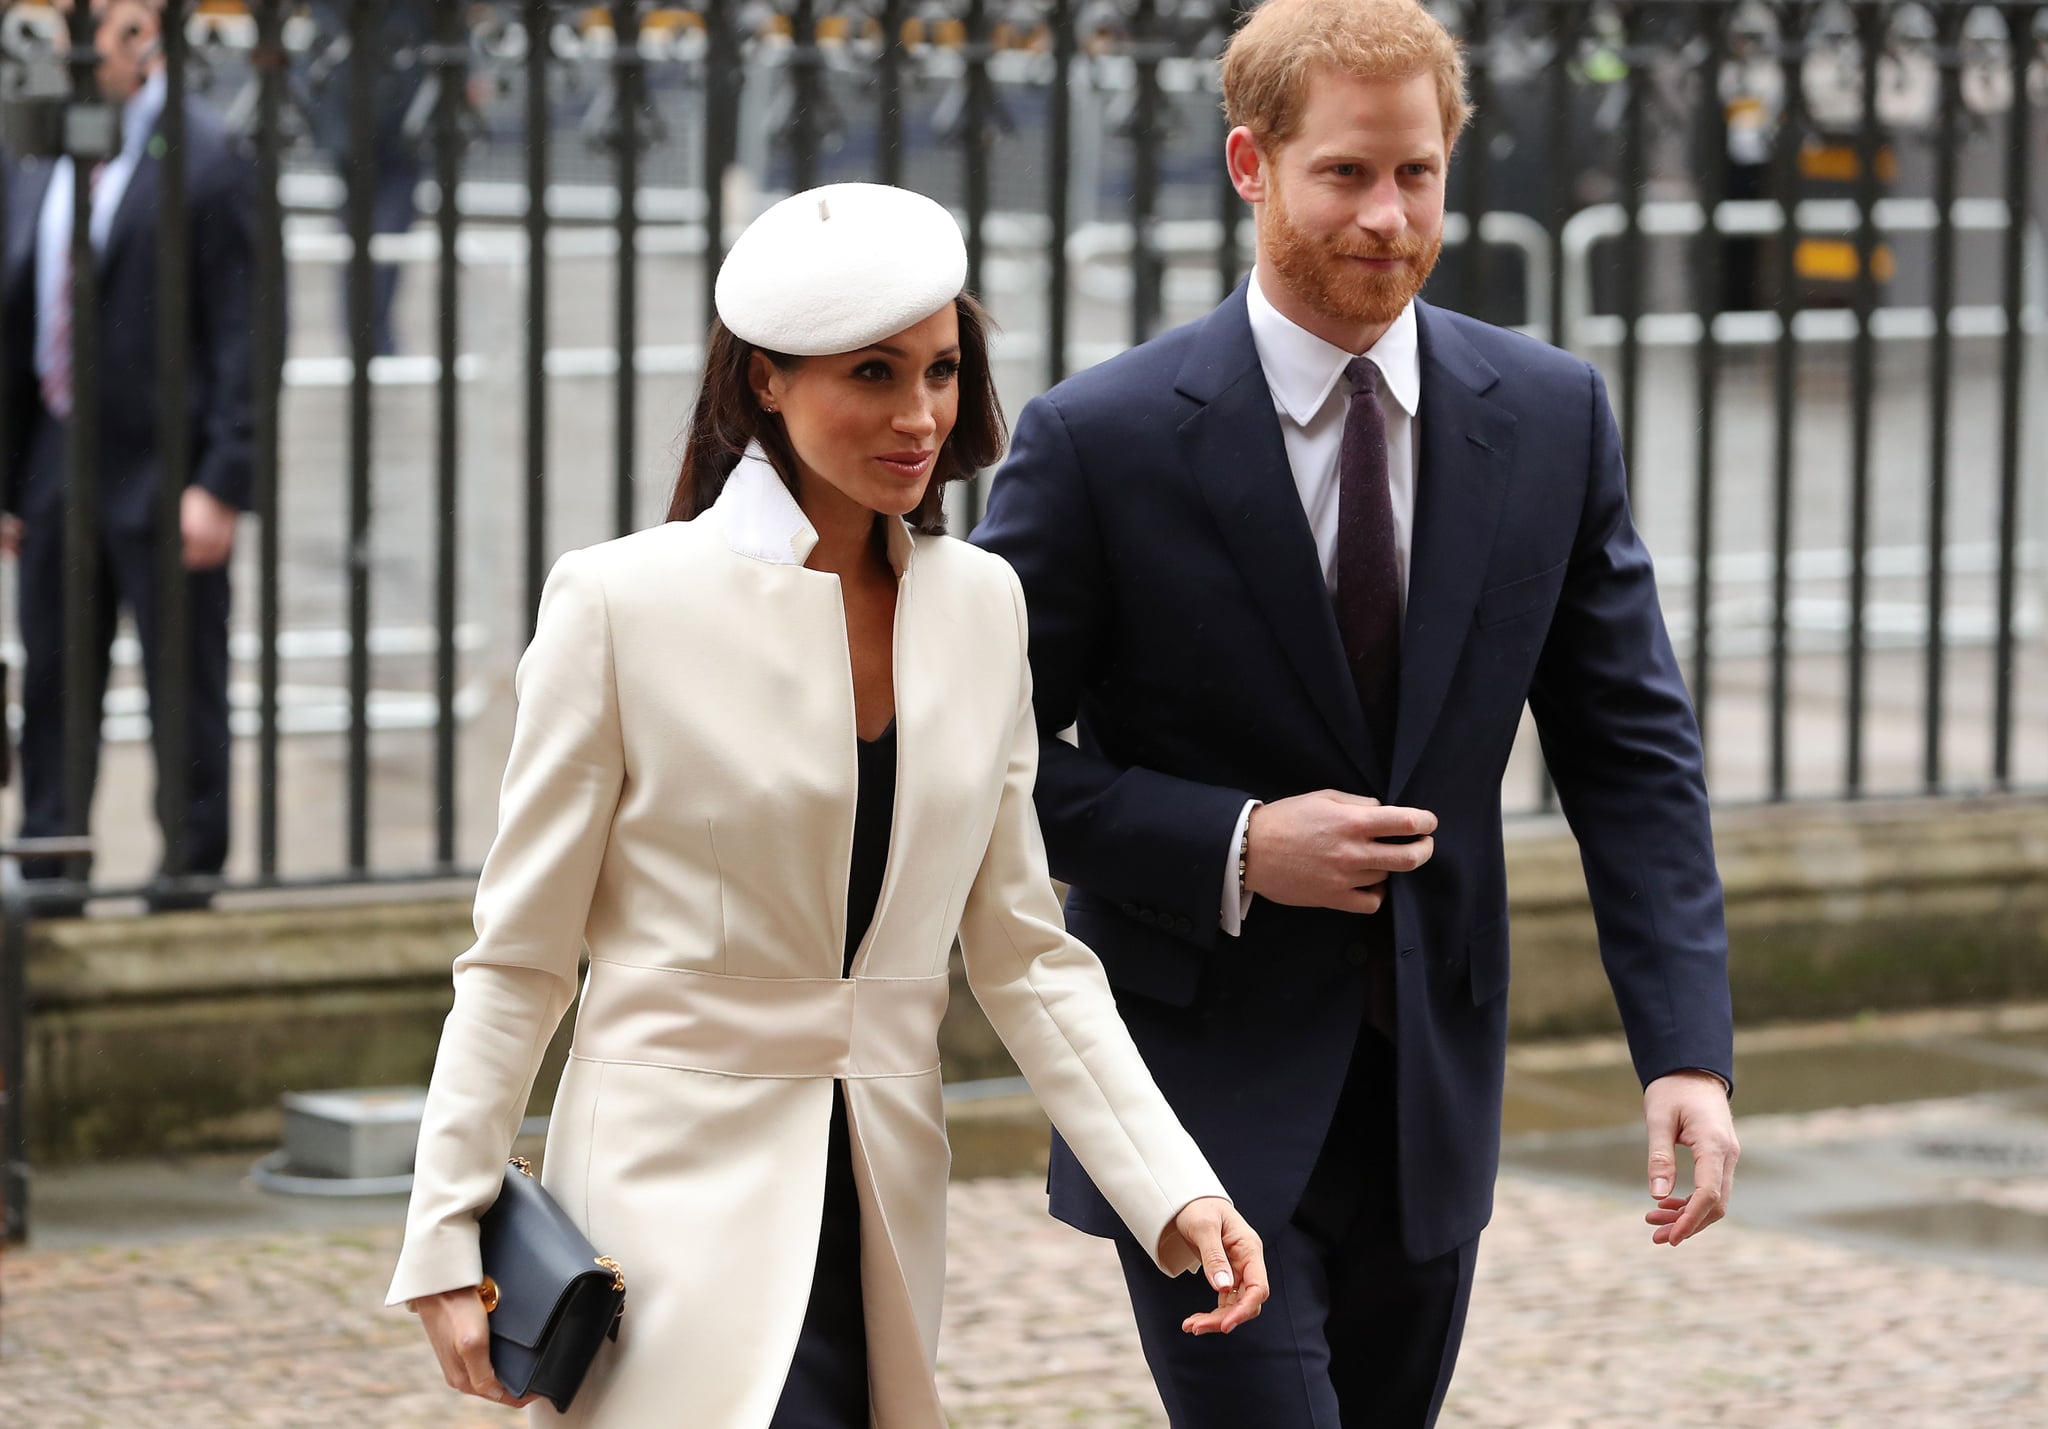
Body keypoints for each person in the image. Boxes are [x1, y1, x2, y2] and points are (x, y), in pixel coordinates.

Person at [387, 183, 1270, 1427]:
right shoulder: (618, 604)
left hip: (882, 1200)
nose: (918, 416)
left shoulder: (981, 605)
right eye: (871, 373)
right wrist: (446, 1226)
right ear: (764, 381)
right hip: (662, 1204)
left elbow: (1026, 955)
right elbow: (519, 957)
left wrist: (1173, 1188)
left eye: (941, 370)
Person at [972, 0, 1741, 1423]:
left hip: (1428, 1097)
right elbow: (981, 765)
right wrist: (1232, 843)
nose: (1389, 217)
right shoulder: (1103, 440)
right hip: (1191, 1099)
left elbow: (1632, 752)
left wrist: (1684, 1047)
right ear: (1252, 164)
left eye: (1418, 174)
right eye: (1346, 174)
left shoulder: (1552, 413)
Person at [1, 0, 257, 904]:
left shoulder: (208, 157)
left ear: (145, 32)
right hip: (55, 464)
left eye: (92, 26)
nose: (71, 48)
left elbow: (245, 333)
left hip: (167, 470)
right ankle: (49, 873)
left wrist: (222, 479)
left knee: (182, 687)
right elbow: (15, 316)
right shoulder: (38, 148)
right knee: (56, 679)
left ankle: (188, 874)